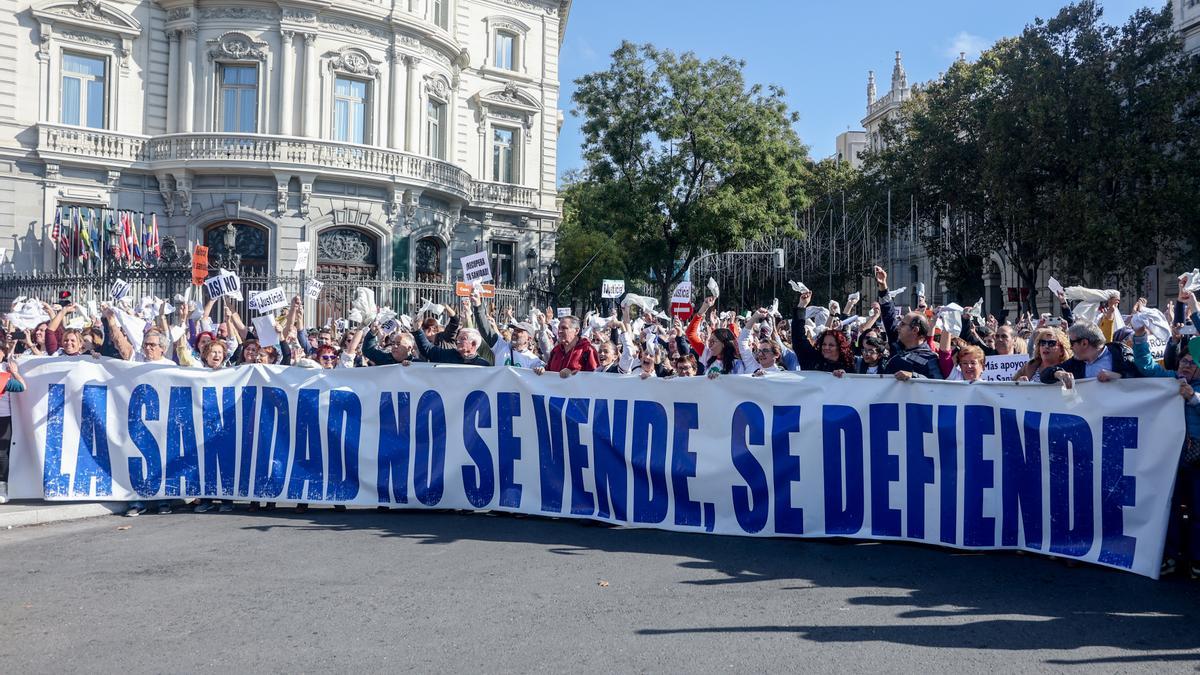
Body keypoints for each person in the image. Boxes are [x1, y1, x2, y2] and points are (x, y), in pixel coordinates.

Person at [874, 266, 943, 380]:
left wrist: (914, 377)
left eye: (903, 324)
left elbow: (937, 384)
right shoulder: (896, 342)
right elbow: (889, 316)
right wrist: (883, 286)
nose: (898, 327)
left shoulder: (930, 358)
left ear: (915, 330)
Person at [1038, 322, 1140, 388]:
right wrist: (1057, 373)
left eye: (1072, 343)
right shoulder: (1075, 362)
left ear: (1084, 343)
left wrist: (1118, 377)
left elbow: (1142, 381)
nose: (1070, 347)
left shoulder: (1121, 354)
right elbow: (1044, 375)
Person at [0, 346, 27, 503]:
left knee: (2, 453)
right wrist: (15, 373)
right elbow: (22, 386)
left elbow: (22, 387)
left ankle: (2, 486)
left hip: (4, 416)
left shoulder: (5, 372)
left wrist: (14, 372)